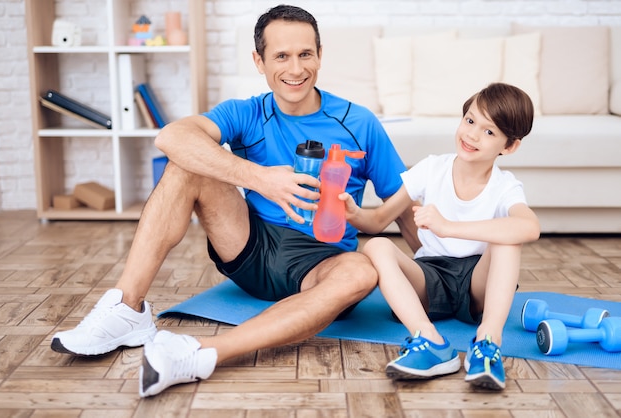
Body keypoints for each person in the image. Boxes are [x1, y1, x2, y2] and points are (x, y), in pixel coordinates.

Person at [49, 5, 417, 397]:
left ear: (320, 55)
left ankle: (199, 354)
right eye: (281, 56)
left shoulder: (358, 122)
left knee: (362, 272)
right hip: (252, 246)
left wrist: (437, 270)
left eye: (305, 54)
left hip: (323, 262)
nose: (295, 69)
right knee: (187, 162)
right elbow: (171, 137)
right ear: (259, 61)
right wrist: (260, 178)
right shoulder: (247, 112)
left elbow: (402, 202)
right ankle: (127, 309)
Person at [341, 82, 540, 390]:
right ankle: (430, 340)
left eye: (489, 132)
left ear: (509, 146)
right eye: (470, 121)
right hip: (430, 274)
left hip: (477, 283)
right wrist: (355, 213)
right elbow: (379, 221)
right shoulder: (432, 168)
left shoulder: (505, 186)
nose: (472, 135)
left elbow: (530, 228)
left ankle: (487, 342)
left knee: (508, 238)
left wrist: (449, 227)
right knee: (378, 246)